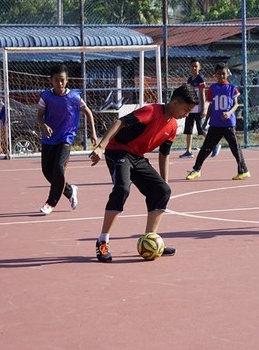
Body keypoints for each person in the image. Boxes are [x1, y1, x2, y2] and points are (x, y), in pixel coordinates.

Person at [88, 84, 199, 262]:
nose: (186, 114)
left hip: (137, 157)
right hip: (118, 151)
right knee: (122, 189)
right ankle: (102, 240)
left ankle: (151, 240)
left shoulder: (172, 126)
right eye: (186, 110)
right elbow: (119, 122)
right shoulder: (151, 111)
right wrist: (101, 146)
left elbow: (164, 154)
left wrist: (164, 182)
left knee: (162, 191)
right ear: (175, 103)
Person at [37, 64, 98, 215]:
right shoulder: (46, 97)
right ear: (51, 80)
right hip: (49, 138)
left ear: (67, 80)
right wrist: (43, 125)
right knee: (47, 171)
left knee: (59, 167)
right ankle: (70, 191)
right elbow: (39, 116)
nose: (60, 83)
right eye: (56, 80)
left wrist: (93, 133)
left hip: (66, 138)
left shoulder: (74, 97)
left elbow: (88, 112)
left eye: (62, 80)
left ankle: (50, 203)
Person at [186, 62, 250, 181]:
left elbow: (236, 104)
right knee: (206, 147)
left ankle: (244, 171)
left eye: (223, 74)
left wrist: (229, 113)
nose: (221, 76)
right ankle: (196, 170)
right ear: (215, 75)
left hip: (228, 124)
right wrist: (206, 121)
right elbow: (211, 106)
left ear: (227, 74)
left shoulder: (232, 88)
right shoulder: (212, 88)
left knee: (235, 148)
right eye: (219, 74)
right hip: (215, 123)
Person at [179, 59, 208, 158]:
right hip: (190, 109)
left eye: (196, 66)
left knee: (201, 130)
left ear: (199, 68)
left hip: (198, 109)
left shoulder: (200, 79)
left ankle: (214, 144)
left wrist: (203, 108)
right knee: (188, 130)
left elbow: (202, 94)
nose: (194, 68)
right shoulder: (189, 80)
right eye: (192, 66)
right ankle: (188, 151)